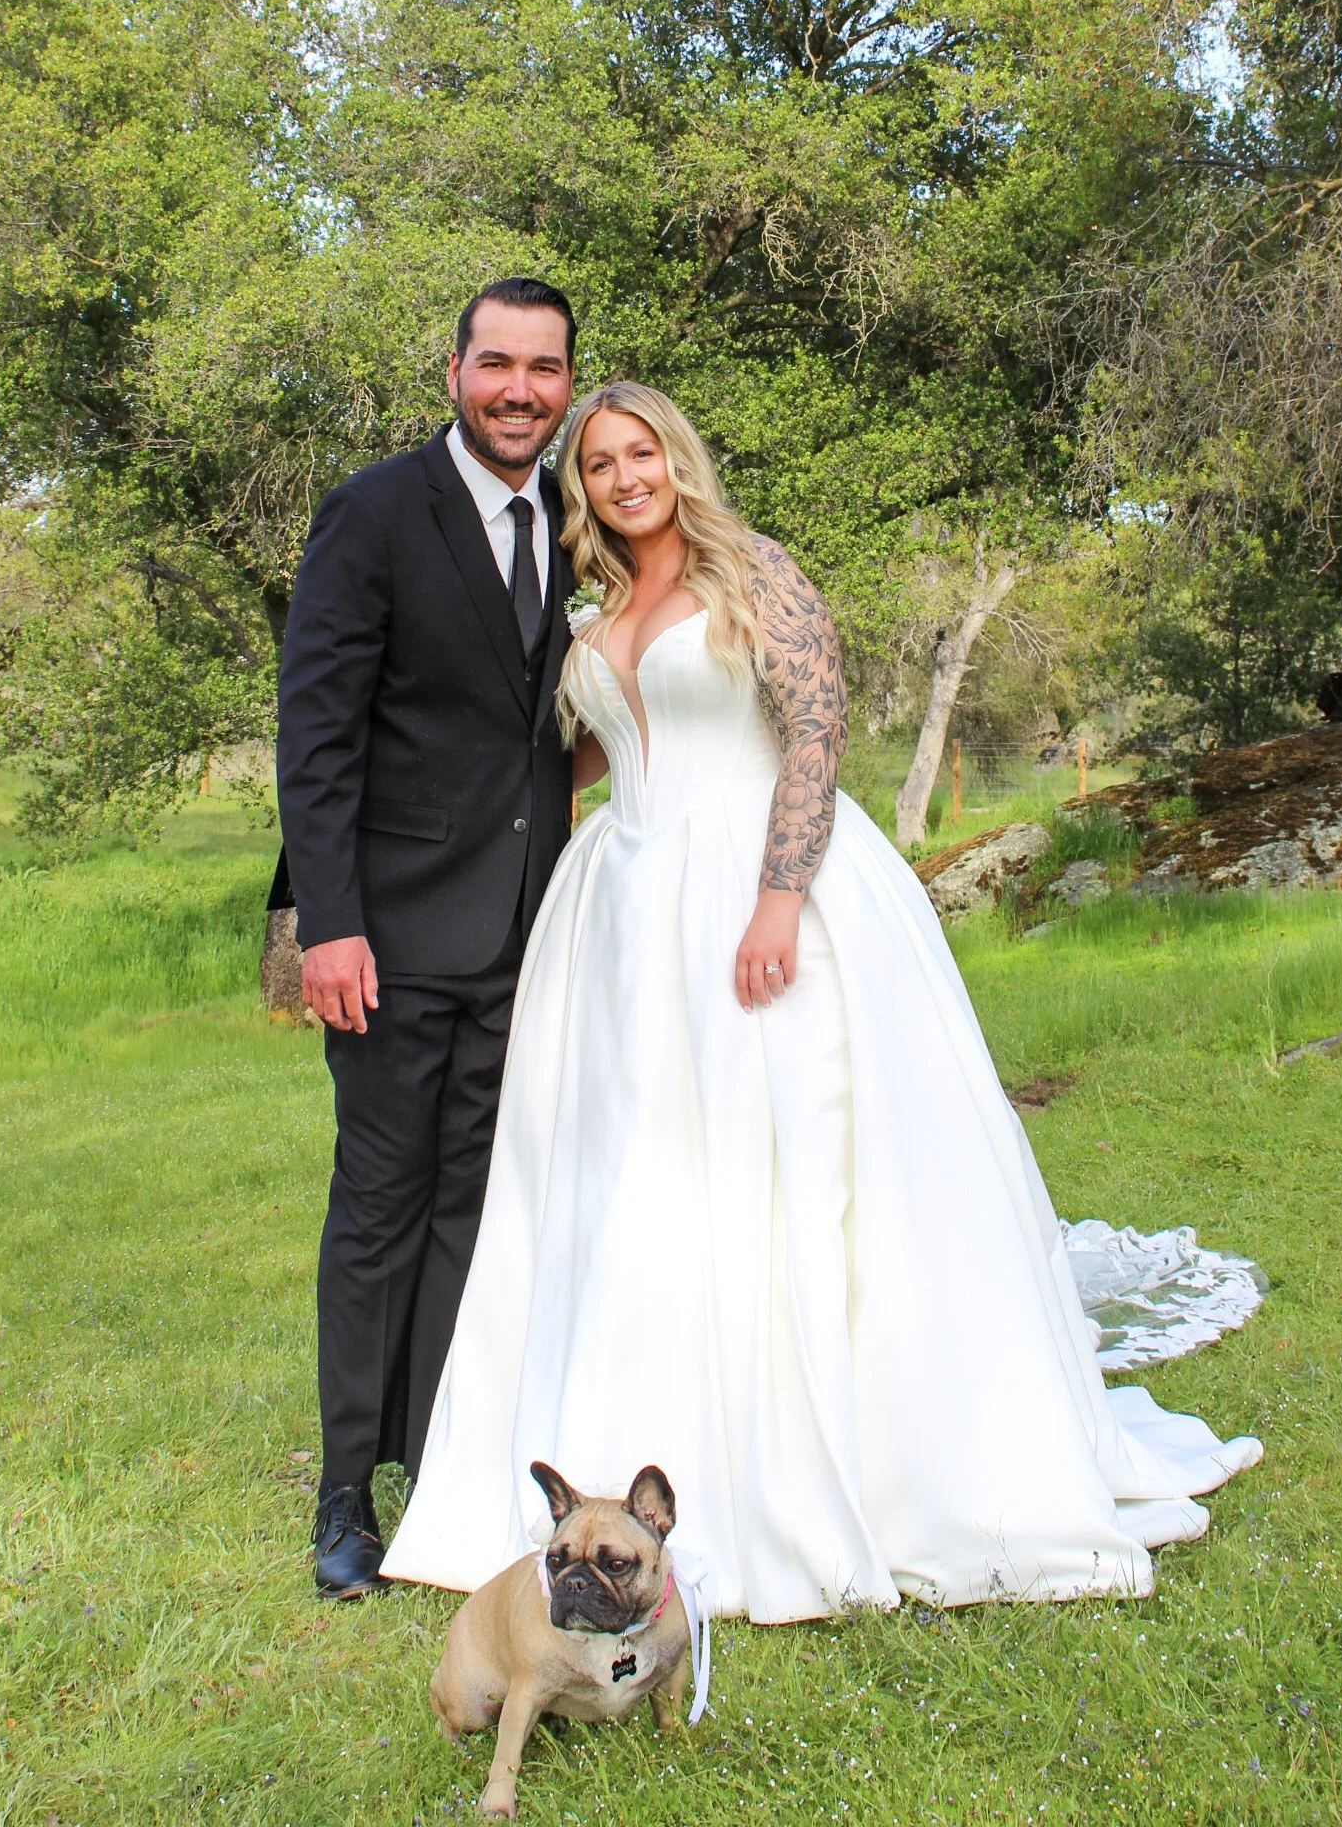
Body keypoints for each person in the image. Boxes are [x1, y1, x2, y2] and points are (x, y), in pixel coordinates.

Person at [382, 383, 1262, 1620]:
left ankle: (810, 1453)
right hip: (620, 920)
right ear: (579, 486)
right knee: (628, 1178)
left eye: (643, 452)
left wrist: (779, 896)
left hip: (751, 881)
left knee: (776, 1161)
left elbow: (815, 732)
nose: (625, 476)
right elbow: (582, 754)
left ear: (677, 458)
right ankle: (629, 1439)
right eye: (600, 462)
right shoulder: (597, 610)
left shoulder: (756, 576)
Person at [275, 277, 577, 1597]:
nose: (521, 390)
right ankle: (346, 1492)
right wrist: (328, 926)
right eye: (497, 363)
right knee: (381, 1207)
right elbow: (318, 734)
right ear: (453, 370)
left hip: (533, 940)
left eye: (545, 369)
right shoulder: (374, 512)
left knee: (476, 1206)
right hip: (388, 943)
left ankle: (444, 1464)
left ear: (571, 383)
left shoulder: (586, 516)